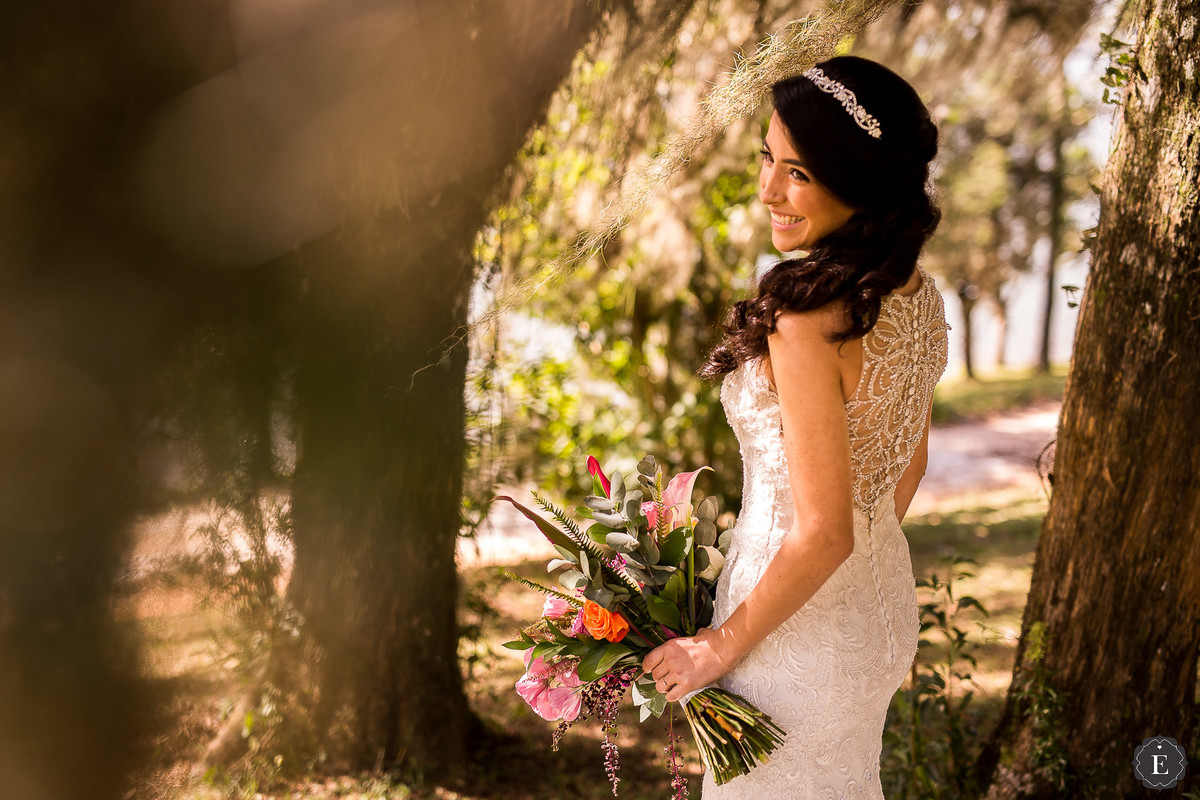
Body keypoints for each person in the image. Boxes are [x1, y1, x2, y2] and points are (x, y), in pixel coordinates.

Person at [640, 55, 952, 798]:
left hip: (788, 637)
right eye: (766, 159)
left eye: (799, 173)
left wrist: (718, 646)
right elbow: (903, 468)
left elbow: (823, 533)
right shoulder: (917, 297)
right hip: (874, 610)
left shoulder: (808, 318)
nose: (768, 190)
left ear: (858, 181)